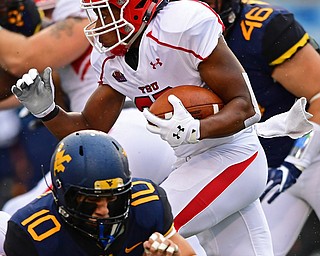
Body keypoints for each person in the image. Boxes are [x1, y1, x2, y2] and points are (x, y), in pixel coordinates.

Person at [10, 0, 283, 254]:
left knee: (137, 229)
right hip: (192, 161)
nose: (99, 22)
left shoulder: (180, 26)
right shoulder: (115, 58)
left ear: (136, 6)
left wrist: (197, 128)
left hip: (233, 156)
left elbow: (246, 107)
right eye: (96, 12)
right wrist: (48, 111)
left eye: (106, 11)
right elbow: (89, 129)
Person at [197, 0, 320, 255]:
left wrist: (297, 162)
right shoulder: (170, 37)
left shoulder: (262, 28)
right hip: (268, 169)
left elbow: (319, 96)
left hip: (311, 155)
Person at [4, 130, 196, 256]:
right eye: (90, 199)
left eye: (112, 198)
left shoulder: (147, 203)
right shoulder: (31, 233)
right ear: (63, 193)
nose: (104, 210)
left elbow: (189, 253)